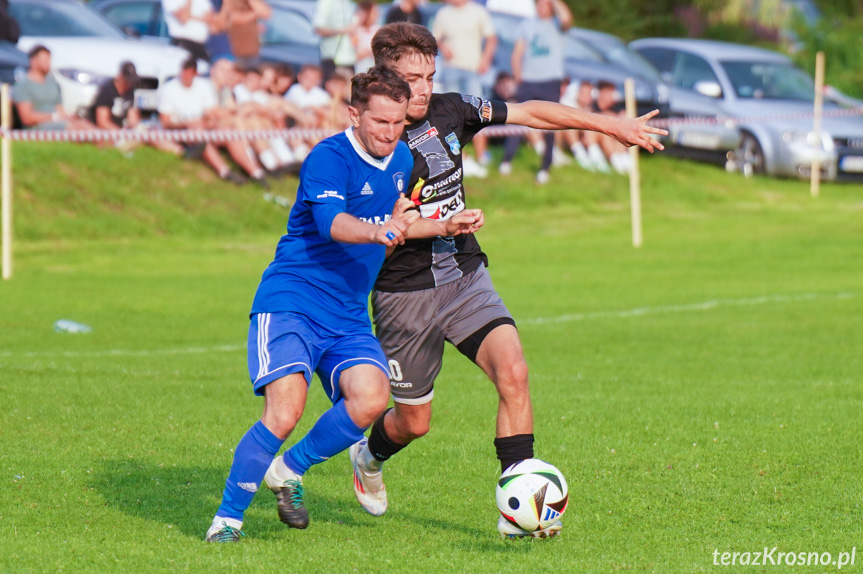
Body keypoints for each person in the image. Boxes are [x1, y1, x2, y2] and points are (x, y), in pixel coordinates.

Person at [347, 22, 666, 539]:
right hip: (403, 295)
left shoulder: (451, 109)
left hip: (463, 274)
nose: (425, 88)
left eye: (430, 74)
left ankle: (521, 510)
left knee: (513, 372)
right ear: (385, 77)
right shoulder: (370, 145)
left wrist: (611, 126)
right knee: (413, 423)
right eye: (412, 78)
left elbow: (533, 112)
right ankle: (369, 455)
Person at [204, 65, 484, 543]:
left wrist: (443, 225)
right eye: (380, 122)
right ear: (354, 114)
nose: (390, 133)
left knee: (373, 399)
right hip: (293, 301)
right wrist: (379, 231)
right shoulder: (328, 158)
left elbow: (395, 223)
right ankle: (227, 520)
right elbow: (334, 223)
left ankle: (289, 469)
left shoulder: (398, 160)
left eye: (398, 124)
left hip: (348, 313)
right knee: (285, 411)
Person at [498, 0, 571, 184]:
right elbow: (517, 53)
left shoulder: (556, 25)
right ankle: (507, 160)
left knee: (551, 124)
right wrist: (517, 77)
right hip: (528, 80)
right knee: (516, 119)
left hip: (550, 81)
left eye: (545, 4)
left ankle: (545, 166)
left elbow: (567, 18)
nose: (541, 7)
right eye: (539, 4)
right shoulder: (526, 25)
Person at [157, 56, 251, 184]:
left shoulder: (203, 86)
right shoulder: (169, 89)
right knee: (199, 132)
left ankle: (256, 171)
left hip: (202, 128)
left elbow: (212, 112)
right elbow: (166, 123)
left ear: (196, 74)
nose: (187, 77)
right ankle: (224, 171)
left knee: (229, 131)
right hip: (181, 130)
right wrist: (187, 123)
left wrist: (209, 121)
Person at [431, 0, 496, 177]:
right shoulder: (443, 14)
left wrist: (486, 60)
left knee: (478, 112)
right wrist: (443, 48)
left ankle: (482, 155)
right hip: (451, 69)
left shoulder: (478, 12)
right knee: (452, 115)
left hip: (472, 69)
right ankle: (462, 156)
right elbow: (434, 38)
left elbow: (491, 38)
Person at [90, 61, 184, 156]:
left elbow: (133, 118)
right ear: (120, 76)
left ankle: (179, 151)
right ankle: (179, 152)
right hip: (111, 134)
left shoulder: (131, 90)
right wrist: (120, 132)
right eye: (127, 80)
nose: (129, 83)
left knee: (151, 133)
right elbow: (102, 121)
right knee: (148, 137)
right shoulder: (106, 89)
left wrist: (138, 126)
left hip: (125, 132)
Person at [12, 45, 94, 131]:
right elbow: (26, 118)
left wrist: (68, 117)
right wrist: (54, 117)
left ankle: (104, 143)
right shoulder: (23, 85)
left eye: (49, 59)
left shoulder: (52, 83)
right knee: (77, 128)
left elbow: (60, 109)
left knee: (84, 124)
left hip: (59, 122)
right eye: (45, 60)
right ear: (33, 61)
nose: (48, 63)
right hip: (38, 126)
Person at [313, 0, 357, 81]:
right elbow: (318, 29)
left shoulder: (349, 3)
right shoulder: (326, 2)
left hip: (349, 59)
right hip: (332, 58)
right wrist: (343, 31)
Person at [220, 0, 271, 67]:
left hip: (252, 51)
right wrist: (255, 14)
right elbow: (235, 19)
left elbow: (266, 13)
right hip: (236, 52)